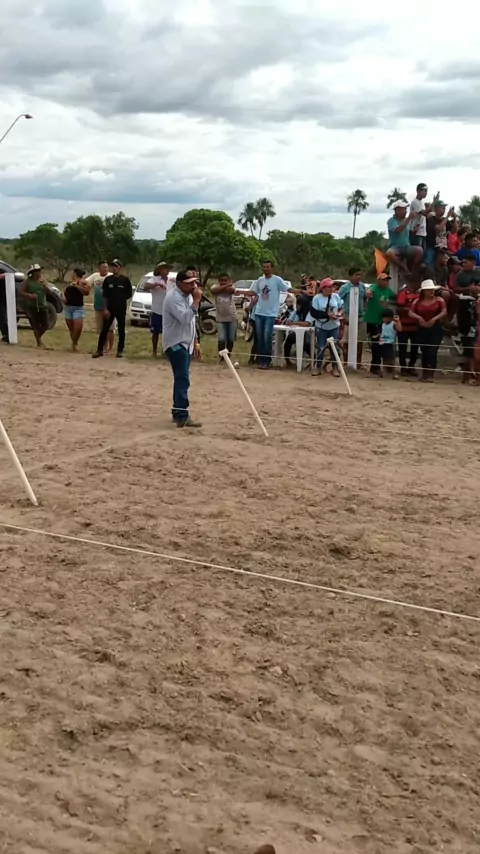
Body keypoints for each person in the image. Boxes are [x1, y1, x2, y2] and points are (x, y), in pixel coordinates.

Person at [162, 270, 203, 428]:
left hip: (186, 342)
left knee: (181, 378)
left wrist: (195, 341)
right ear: (179, 283)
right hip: (175, 344)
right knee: (183, 379)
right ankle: (181, 415)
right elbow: (185, 318)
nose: (193, 285)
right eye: (189, 283)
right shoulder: (173, 298)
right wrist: (197, 301)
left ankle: (177, 412)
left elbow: (192, 322)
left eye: (194, 282)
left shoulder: (188, 296)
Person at [248, 261, 293, 369]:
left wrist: (301, 291)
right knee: (259, 337)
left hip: (270, 314)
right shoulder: (260, 280)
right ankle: (261, 359)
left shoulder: (277, 280)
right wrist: (239, 292)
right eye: (264, 267)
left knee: (266, 337)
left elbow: (288, 289)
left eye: (267, 267)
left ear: (272, 268)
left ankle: (267, 360)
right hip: (259, 312)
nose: (265, 269)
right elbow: (254, 292)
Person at [92, 259, 132, 359]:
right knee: (104, 329)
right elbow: (105, 295)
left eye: (116, 266)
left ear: (120, 268)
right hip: (109, 309)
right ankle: (99, 350)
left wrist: (120, 300)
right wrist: (105, 309)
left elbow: (128, 294)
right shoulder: (108, 280)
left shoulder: (125, 280)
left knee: (121, 330)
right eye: (113, 266)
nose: (114, 268)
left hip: (121, 309)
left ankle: (120, 351)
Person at [408, 280, 447, 382]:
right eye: (429, 290)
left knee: (432, 350)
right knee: (424, 350)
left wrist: (434, 319)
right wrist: (419, 318)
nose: (431, 291)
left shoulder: (439, 300)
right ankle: (425, 372)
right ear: (424, 291)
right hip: (422, 328)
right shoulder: (417, 301)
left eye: (432, 289)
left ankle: (430, 372)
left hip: (435, 328)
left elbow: (444, 311)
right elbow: (410, 312)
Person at [454, 252, 480, 382]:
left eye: (466, 262)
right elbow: (455, 289)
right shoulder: (460, 274)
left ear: (473, 262)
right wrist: (468, 289)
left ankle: (473, 373)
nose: (463, 264)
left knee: (473, 342)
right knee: (466, 340)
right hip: (464, 306)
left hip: (477, 306)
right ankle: (467, 373)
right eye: (462, 262)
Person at [364, 273, 397, 375]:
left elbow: (396, 297)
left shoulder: (388, 290)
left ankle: (387, 366)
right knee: (376, 345)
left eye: (387, 280)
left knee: (385, 343)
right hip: (373, 321)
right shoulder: (374, 287)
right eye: (383, 280)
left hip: (384, 322)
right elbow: (369, 292)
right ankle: (375, 367)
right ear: (378, 281)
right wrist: (368, 293)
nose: (386, 282)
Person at [309, 278, 342, 377]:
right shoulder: (316, 298)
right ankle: (318, 367)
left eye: (332, 286)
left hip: (334, 326)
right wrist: (327, 315)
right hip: (321, 327)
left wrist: (339, 313)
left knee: (334, 347)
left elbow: (341, 307)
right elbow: (314, 313)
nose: (332, 288)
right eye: (329, 286)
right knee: (321, 347)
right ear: (323, 288)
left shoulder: (336, 296)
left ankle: (335, 368)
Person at [338, 267, 367, 368]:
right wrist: (341, 315)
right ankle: (346, 363)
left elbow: (364, 299)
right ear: (350, 276)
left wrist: (364, 310)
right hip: (348, 318)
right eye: (356, 275)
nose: (359, 277)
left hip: (361, 318)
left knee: (360, 341)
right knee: (346, 341)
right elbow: (337, 300)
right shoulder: (345, 288)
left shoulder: (362, 286)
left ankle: (358, 363)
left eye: (360, 274)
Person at [85, 261, 115, 354]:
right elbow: (86, 282)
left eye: (106, 267)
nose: (105, 269)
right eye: (103, 267)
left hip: (110, 307)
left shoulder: (111, 276)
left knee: (110, 329)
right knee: (102, 329)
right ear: (99, 269)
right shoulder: (95, 276)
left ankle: (110, 348)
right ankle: (104, 347)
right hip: (98, 306)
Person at [19, 264, 52, 349]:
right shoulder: (27, 282)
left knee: (46, 325)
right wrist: (29, 295)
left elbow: (49, 292)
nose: (39, 273)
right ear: (33, 272)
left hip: (43, 305)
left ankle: (38, 337)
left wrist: (45, 287)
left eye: (40, 271)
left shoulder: (43, 280)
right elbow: (21, 292)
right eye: (37, 271)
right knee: (36, 324)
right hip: (32, 306)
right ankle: (39, 343)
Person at [143, 261, 171, 357]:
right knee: (155, 332)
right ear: (160, 270)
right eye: (164, 268)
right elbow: (146, 286)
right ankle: (154, 351)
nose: (166, 270)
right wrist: (157, 284)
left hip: (168, 311)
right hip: (157, 310)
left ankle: (165, 350)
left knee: (167, 333)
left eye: (167, 269)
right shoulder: (154, 280)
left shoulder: (171, 281)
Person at [386, 202, 422, 275]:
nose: (405, 211)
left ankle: (413, 271)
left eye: (405, 209)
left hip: (406, 246)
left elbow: (409, 234)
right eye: (403, 209)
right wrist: (408, 219)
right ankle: (403, 267)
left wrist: (415, 231)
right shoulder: (391, 221)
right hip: (395, 247)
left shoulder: (407, 221)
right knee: (389, 253)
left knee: (420, 250)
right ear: (397, 210)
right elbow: (399, 229)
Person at [211, 272, 238, 359]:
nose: (223, 282)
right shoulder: (215, 286)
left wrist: (223, 288)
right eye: (221, 280)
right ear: (218, 281)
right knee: (222, 339)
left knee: (231, 339)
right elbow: (213, 291)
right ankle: (221, 357)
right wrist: (227, 285)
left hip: (232, 317)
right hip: (220, 318)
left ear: (228, 280)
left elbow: (230, 290)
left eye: (225, 280)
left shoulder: (231, 287)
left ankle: (228, 357)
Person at [396, 279, 420, 376]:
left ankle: (411, 366)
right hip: (404, 325)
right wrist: (412, 310)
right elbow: (399, 308)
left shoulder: (420, 293)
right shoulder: (404, 292)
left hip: (416, 325)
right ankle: (403, 367)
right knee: (402, 347)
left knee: (415, 347)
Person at [63, 268, 90, 352]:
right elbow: (64, 291)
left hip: (78, 308)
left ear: (75, 274)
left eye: (72, 273)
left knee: (78, 328)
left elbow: (86, 292)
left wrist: (76, 286)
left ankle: (74, 343)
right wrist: (63, 297)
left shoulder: (82, 282)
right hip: (68, 307)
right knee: (72, 328)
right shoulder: (69, 283)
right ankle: (74, 345)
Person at [283, 295, 311, 368]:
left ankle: (313, 359)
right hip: (296, 332)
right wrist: (289, 321)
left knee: (306, 343)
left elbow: (306, 323)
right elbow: (288, 321)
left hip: (307, 332)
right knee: (288, 340)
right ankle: (287, 360)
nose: (297, 306)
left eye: (299, 304)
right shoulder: (296, 312)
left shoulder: (309, 312)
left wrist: (295, 323)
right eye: (297, 304)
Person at [425, 201, 456, 265]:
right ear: (436, 208)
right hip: (432, 247)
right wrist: (447, 217)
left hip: (443, 249)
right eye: (442, 208)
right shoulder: (431, 220)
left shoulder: (445, 220)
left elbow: (454, 230)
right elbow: (439, 229)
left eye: (444, 208)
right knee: (427, 264)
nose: (444, 210)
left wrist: (455, 218)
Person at [378, 309, 402, 377]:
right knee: (384, 359)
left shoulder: (393, 324)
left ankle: (394, 373)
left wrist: (398, 321)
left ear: (390, 318)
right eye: (382, 318)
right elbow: (382, 332)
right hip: (382, 343)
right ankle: (384, 372)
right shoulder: (383, 324)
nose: (383, 319)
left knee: (391, 359)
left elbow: (399, 329)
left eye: (385, 318)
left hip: (390, 343)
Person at [409, 182, 430, 251]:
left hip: (422, 232)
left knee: (422, 253)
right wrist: (434, 202)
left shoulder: (422, 202)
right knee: (418, 252)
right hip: (416, 232)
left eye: (426, 191)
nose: (426, 193)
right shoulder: (415, 202)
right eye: (424, 191)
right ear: (418, 191)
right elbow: (424, 213)